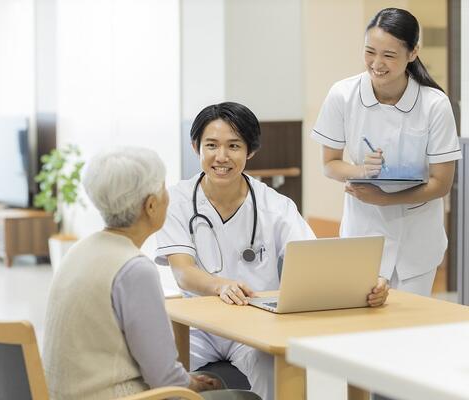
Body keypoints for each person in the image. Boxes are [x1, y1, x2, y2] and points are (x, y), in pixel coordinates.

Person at [155, 102, 389, 400]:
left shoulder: (275, 206)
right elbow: (183, 272)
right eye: (211, 145)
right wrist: (220, 286)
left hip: (256, 324)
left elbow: (315, 263)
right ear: (195, 146)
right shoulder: (176, 200)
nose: (221, 157)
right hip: (197, 328)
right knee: (156, 376)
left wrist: (371, 283)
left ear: (250, 150)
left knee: (275, 370)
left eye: (234, 146)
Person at [42, 147, 260, 400]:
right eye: (163, 189)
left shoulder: (80, 249)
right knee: (247, 398)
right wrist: (194, 385)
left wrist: (186, 379)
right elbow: (164, 380)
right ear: (151, 205)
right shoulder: (134, 269)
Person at [312, 8, 461, 297]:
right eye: (370, 52)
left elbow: (441, 184)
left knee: (407, 332)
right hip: (362, 236)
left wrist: (385, 198)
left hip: (417, 244)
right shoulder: (343, 94)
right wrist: (361, 172)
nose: (377, 64)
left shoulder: (434, 104)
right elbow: (330, 164)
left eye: (389, 55)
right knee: (362, 332)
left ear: (413, 52)